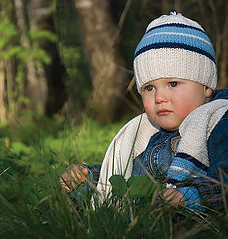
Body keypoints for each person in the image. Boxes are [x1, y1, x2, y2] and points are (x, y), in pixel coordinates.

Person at [61, 12, 228, 211]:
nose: (159, 97)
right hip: (143, 214)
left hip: (191, 216)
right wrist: (88, 175)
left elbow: (224, 178)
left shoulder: (218, 122)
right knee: (88, 195)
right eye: (149, 88)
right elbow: (128, 174)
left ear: (206, 86)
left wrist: (190, 196)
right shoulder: (147, 133)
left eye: (173, 84)